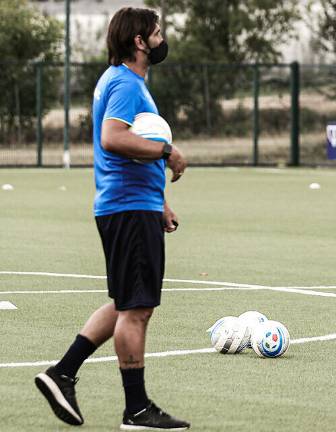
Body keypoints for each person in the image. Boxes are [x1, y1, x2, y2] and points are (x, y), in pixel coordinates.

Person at [34, 7, 190, 430]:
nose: (161, 40)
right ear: (139, 42)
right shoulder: (124, 84)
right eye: (156, 34)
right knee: (136, 310)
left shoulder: (123, 82)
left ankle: (62, 373)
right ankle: (136, 410)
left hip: (133, 203)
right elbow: (113, 138)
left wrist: (158, 201)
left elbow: (125, 147)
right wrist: (167, 153)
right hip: (126, 208)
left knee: (126, 303)